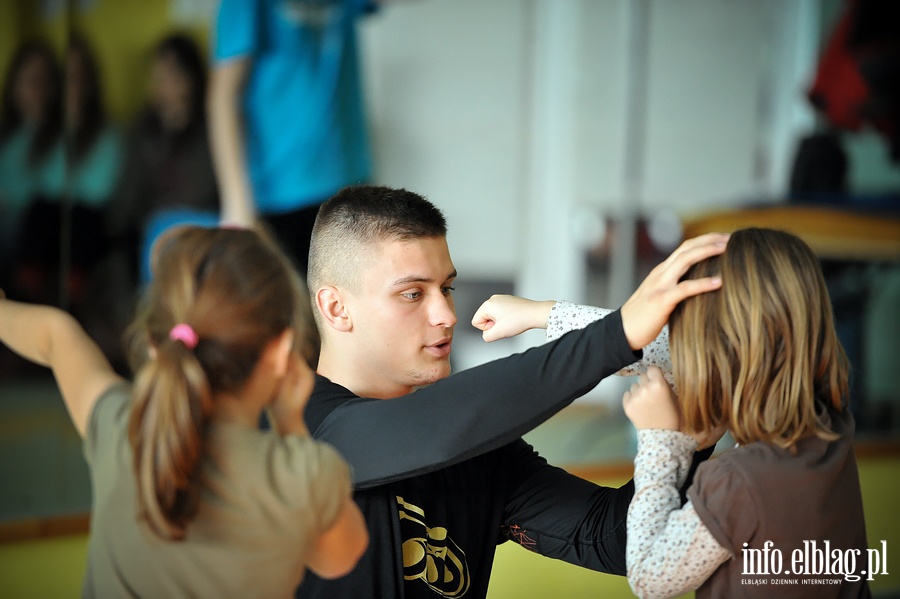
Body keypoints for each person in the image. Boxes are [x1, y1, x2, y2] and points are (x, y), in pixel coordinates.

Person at [296, 184, 728, 597]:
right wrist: (617, 332)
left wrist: (688, 442)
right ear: (336, 308)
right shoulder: (295, 430)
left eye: (447, 288)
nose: (446, 314)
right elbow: (436, 425)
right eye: (413, 294)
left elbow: (612, 540)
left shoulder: (479, 453)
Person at [489, 227, 870, 597]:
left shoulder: (738, 482)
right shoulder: (830, 419)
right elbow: (666, 350)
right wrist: (543, 314)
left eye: (685, 331)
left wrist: (659, 440)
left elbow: (650, 576)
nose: (678, 349)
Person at [0, 225, 368, 597]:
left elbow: (55, 334)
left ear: (155, 344)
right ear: (280, 353)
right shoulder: (306, 474)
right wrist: (292, 426)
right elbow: (340, 558)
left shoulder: (120, 427)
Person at [208, 0, 375, 273]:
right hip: (279, 192)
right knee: (292, 309)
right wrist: (237, 205)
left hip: (347, 180)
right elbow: (223, 95)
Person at [112, 32, 220, 285]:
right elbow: (127, 197)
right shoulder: (141, 130)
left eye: (172, 73)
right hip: (149, 227)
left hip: (199, 225)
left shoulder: (211, 127)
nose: (163, 83)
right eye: (158, 74)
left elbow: (204, 191)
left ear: (192, 76)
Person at [0, 39, 62, 297]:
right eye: (28, 80)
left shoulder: (62, 137)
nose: (35, 89)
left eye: (42, 81)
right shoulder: (6, 136)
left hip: (34, 234)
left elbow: (52, 193)